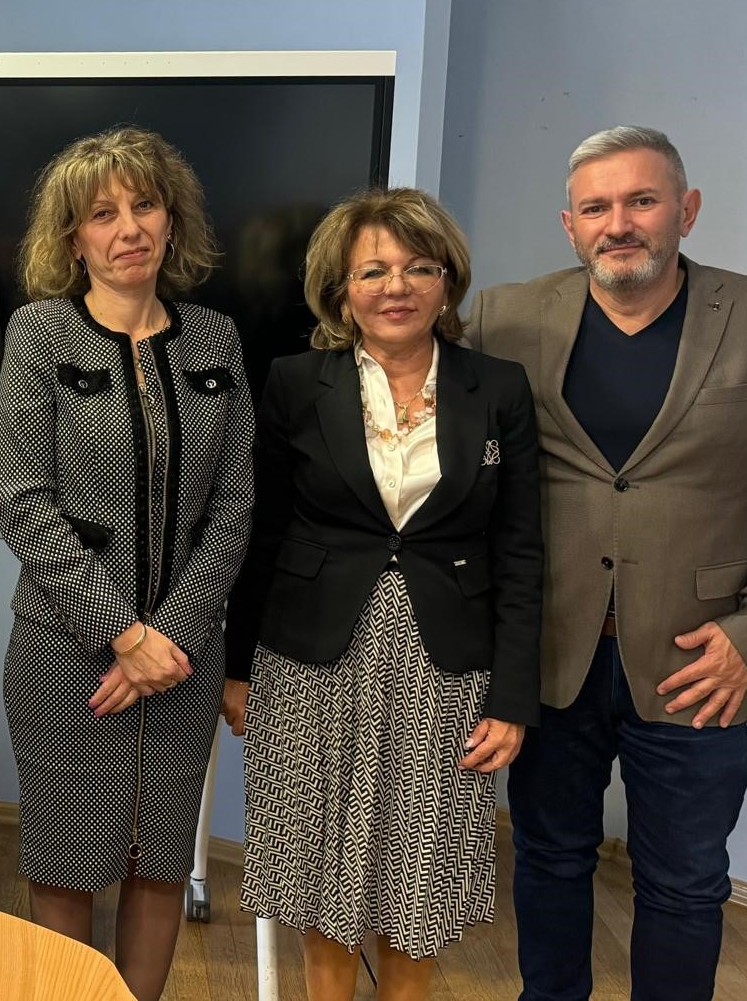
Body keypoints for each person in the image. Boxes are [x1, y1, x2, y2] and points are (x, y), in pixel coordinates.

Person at [227, 186, 543, 1000]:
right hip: (309, 661)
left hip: (446, 668)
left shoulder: (498, 388)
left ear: (447, 281)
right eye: (372, 271)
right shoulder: (296, 381)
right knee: (319, 870)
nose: (395, 286)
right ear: (341, 292)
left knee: (420, 871)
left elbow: (519, 550)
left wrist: (513, 697)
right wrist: (236, 669)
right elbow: (261, 534)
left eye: (417, 267)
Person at [464, 126, 747, 1001]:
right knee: (549, 856)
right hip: (552, 648)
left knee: (685, 883)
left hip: (699, 659)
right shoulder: (504, 319)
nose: (618, 223)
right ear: (570, 224)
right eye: (596, 207)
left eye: (642, 200)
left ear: (687, 210)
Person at [0, 126, 254, 1001]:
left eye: (145, 206)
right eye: (102, 214)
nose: (128, 227)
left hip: (184, 657)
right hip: (66, 654)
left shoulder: (216, 338)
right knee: (65, 862)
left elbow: (234, 506)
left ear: (172, 222)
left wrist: (165, 639)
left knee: (160, 861)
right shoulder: (38, 333)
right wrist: (123, 634)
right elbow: (23, 503)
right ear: (74, 238)